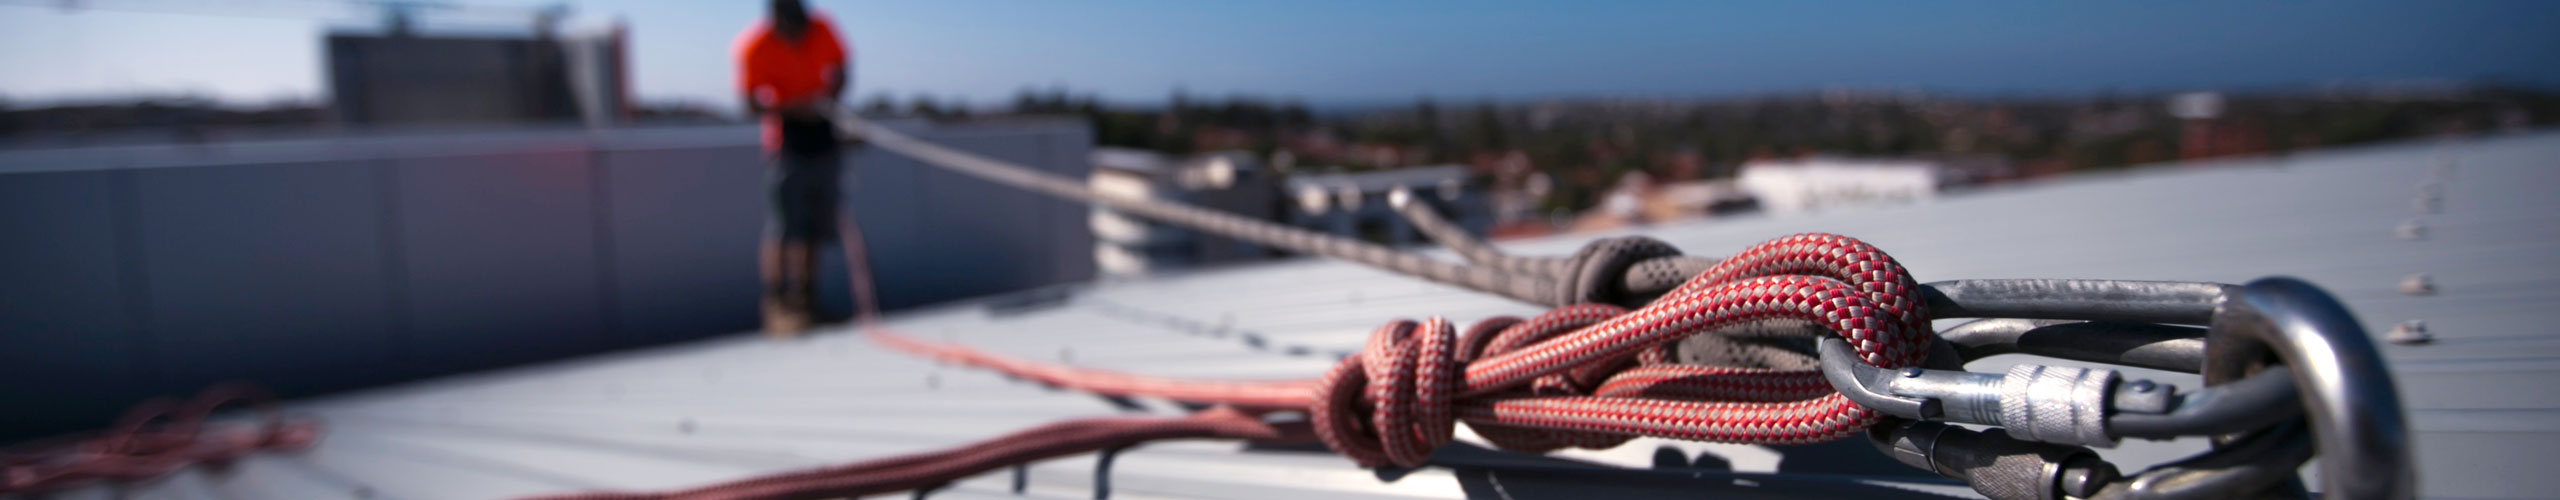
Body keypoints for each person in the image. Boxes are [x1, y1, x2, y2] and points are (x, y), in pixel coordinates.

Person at [736, 0, 850, 336]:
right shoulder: (754, 45)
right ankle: (776, 306)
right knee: (785, 226)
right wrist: (794, 108)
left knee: (814, 224)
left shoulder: (822, 28)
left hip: (823, 133)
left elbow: (841, 67)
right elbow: (749, 102)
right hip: (786, 140)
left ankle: (807, 301)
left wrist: (826, 99)